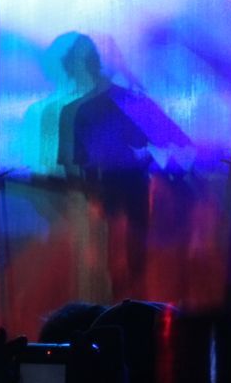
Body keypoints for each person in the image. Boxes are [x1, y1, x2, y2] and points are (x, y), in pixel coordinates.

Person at [58, 34, 192, 300]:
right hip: (125, 191)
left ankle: (122, 304)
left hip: (115, 192)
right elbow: (175, 140)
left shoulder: (85, 109)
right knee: (128, 257)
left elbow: (78, 163)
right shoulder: (118, 103)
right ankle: (130, 303)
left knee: (121, 256)